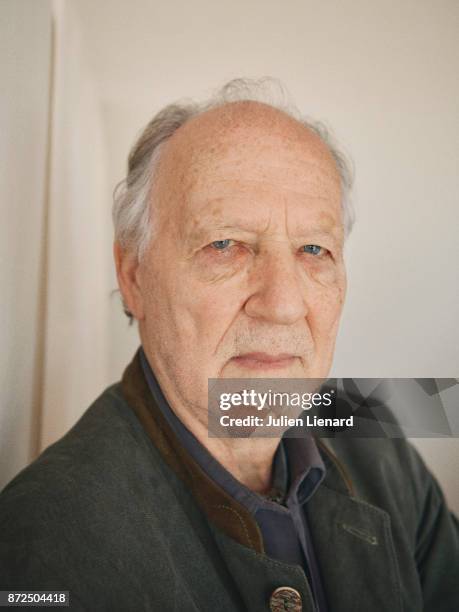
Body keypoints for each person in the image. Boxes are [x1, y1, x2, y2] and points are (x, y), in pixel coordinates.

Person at [0, 79, 458, 611]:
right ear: (134, 276)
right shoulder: (39, 550)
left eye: (314, 249)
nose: (283, 304)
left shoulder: (366, 426)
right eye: (225, 245)